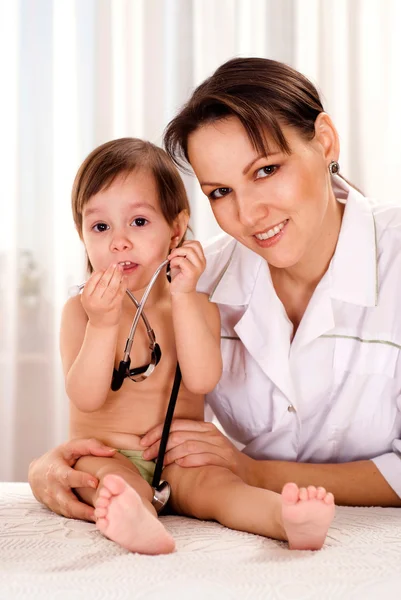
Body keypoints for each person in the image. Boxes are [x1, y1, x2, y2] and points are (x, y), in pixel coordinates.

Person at [29, 56, 401, 519]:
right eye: (220, 192)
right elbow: (99, 404)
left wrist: (253, 471)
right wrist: (50, 468)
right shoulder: (195, 280)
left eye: (266, 170)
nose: (248, 215)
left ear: (324, 142)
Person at [51, 136, 335, 554]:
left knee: (220, 488)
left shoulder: (196, 301)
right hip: (107, 452)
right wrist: (102, 324)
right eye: (100, 227)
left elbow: (203, 379)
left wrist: (183, 297)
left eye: (140, 222)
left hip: (178, 455)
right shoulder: (81, 312)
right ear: (82, 236)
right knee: (107, 483)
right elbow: (86, 397)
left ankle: (286, 518)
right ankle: (137, 520)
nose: (119, 241)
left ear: (176, 230)